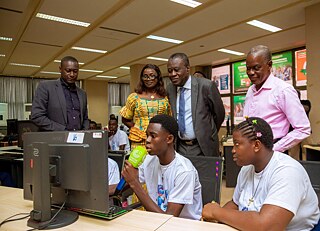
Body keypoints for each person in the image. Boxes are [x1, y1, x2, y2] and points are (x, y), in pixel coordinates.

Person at [202, 117, 320, 230]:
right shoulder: (246, 168)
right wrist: (218, 219)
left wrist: (216, 212)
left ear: (256, 145)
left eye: (237, 144)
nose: (233, 150)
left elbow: (267, 227)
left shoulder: (287, 172)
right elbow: (235, 204)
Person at [121, 114, 202, 220]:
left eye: (153, 136)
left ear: (169, 139)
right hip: (156, 222)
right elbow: (122, 186)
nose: (148, 140)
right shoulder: (148, 161)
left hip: (182, 226)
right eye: (147, 135)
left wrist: (134, 184)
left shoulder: (184, 171)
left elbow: (168, 220)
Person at [243, 45, 310, 153]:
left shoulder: (283, 90)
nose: (250, 72)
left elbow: (303, 129)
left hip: (273, 151)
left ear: (269, 65)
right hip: (252, 150)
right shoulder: (251, 90)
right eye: (248, 68)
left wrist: (274, 149)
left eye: (256, 68)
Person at [166, 53, 225, 156]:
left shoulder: (206, 86)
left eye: (176, 70)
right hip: (180, 147)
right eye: (170, 71)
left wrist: (208, 133)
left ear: (187, 69)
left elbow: (219, 114)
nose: (172, 74)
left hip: (203, 147)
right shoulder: (170, 89)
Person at [120, 64, 172, 149]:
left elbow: (168, 119)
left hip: (159, 140)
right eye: (145, 76)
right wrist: (136, 128)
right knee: (140, 162)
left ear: (158, 78)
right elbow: (125, 119)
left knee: (158, 162)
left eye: (152, 76)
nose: (148, 79)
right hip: (139, 141)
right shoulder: (134, 97)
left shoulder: (165, 98)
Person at [31, 56, 89, 131]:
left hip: (79, 140)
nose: (72, 74)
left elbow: (85, 118)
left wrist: (84, 132)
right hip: (54, 139)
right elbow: (37, 116)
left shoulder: (82, 93)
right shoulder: (46, 87)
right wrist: (63, 130)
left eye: (75, 71)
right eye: (68, 70)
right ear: (60, 69)